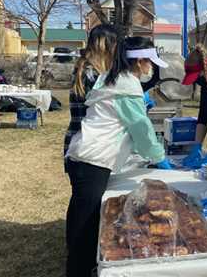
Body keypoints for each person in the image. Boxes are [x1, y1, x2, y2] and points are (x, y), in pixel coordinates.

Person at [64, 37, 174, 277]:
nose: (151, 69)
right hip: (93, 160)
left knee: (80, 219)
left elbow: (122, 122)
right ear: (140, 61)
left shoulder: (115, 78)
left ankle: (79, 264)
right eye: (150, 63)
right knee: (85, 228)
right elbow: (141, 131)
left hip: (84, 156)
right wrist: (158, 157)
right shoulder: (128, 85)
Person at [63, 24, 117, 157]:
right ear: (107, 45)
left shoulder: (84, 68)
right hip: (90, 145)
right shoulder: (93, 74)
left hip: (78, 141)